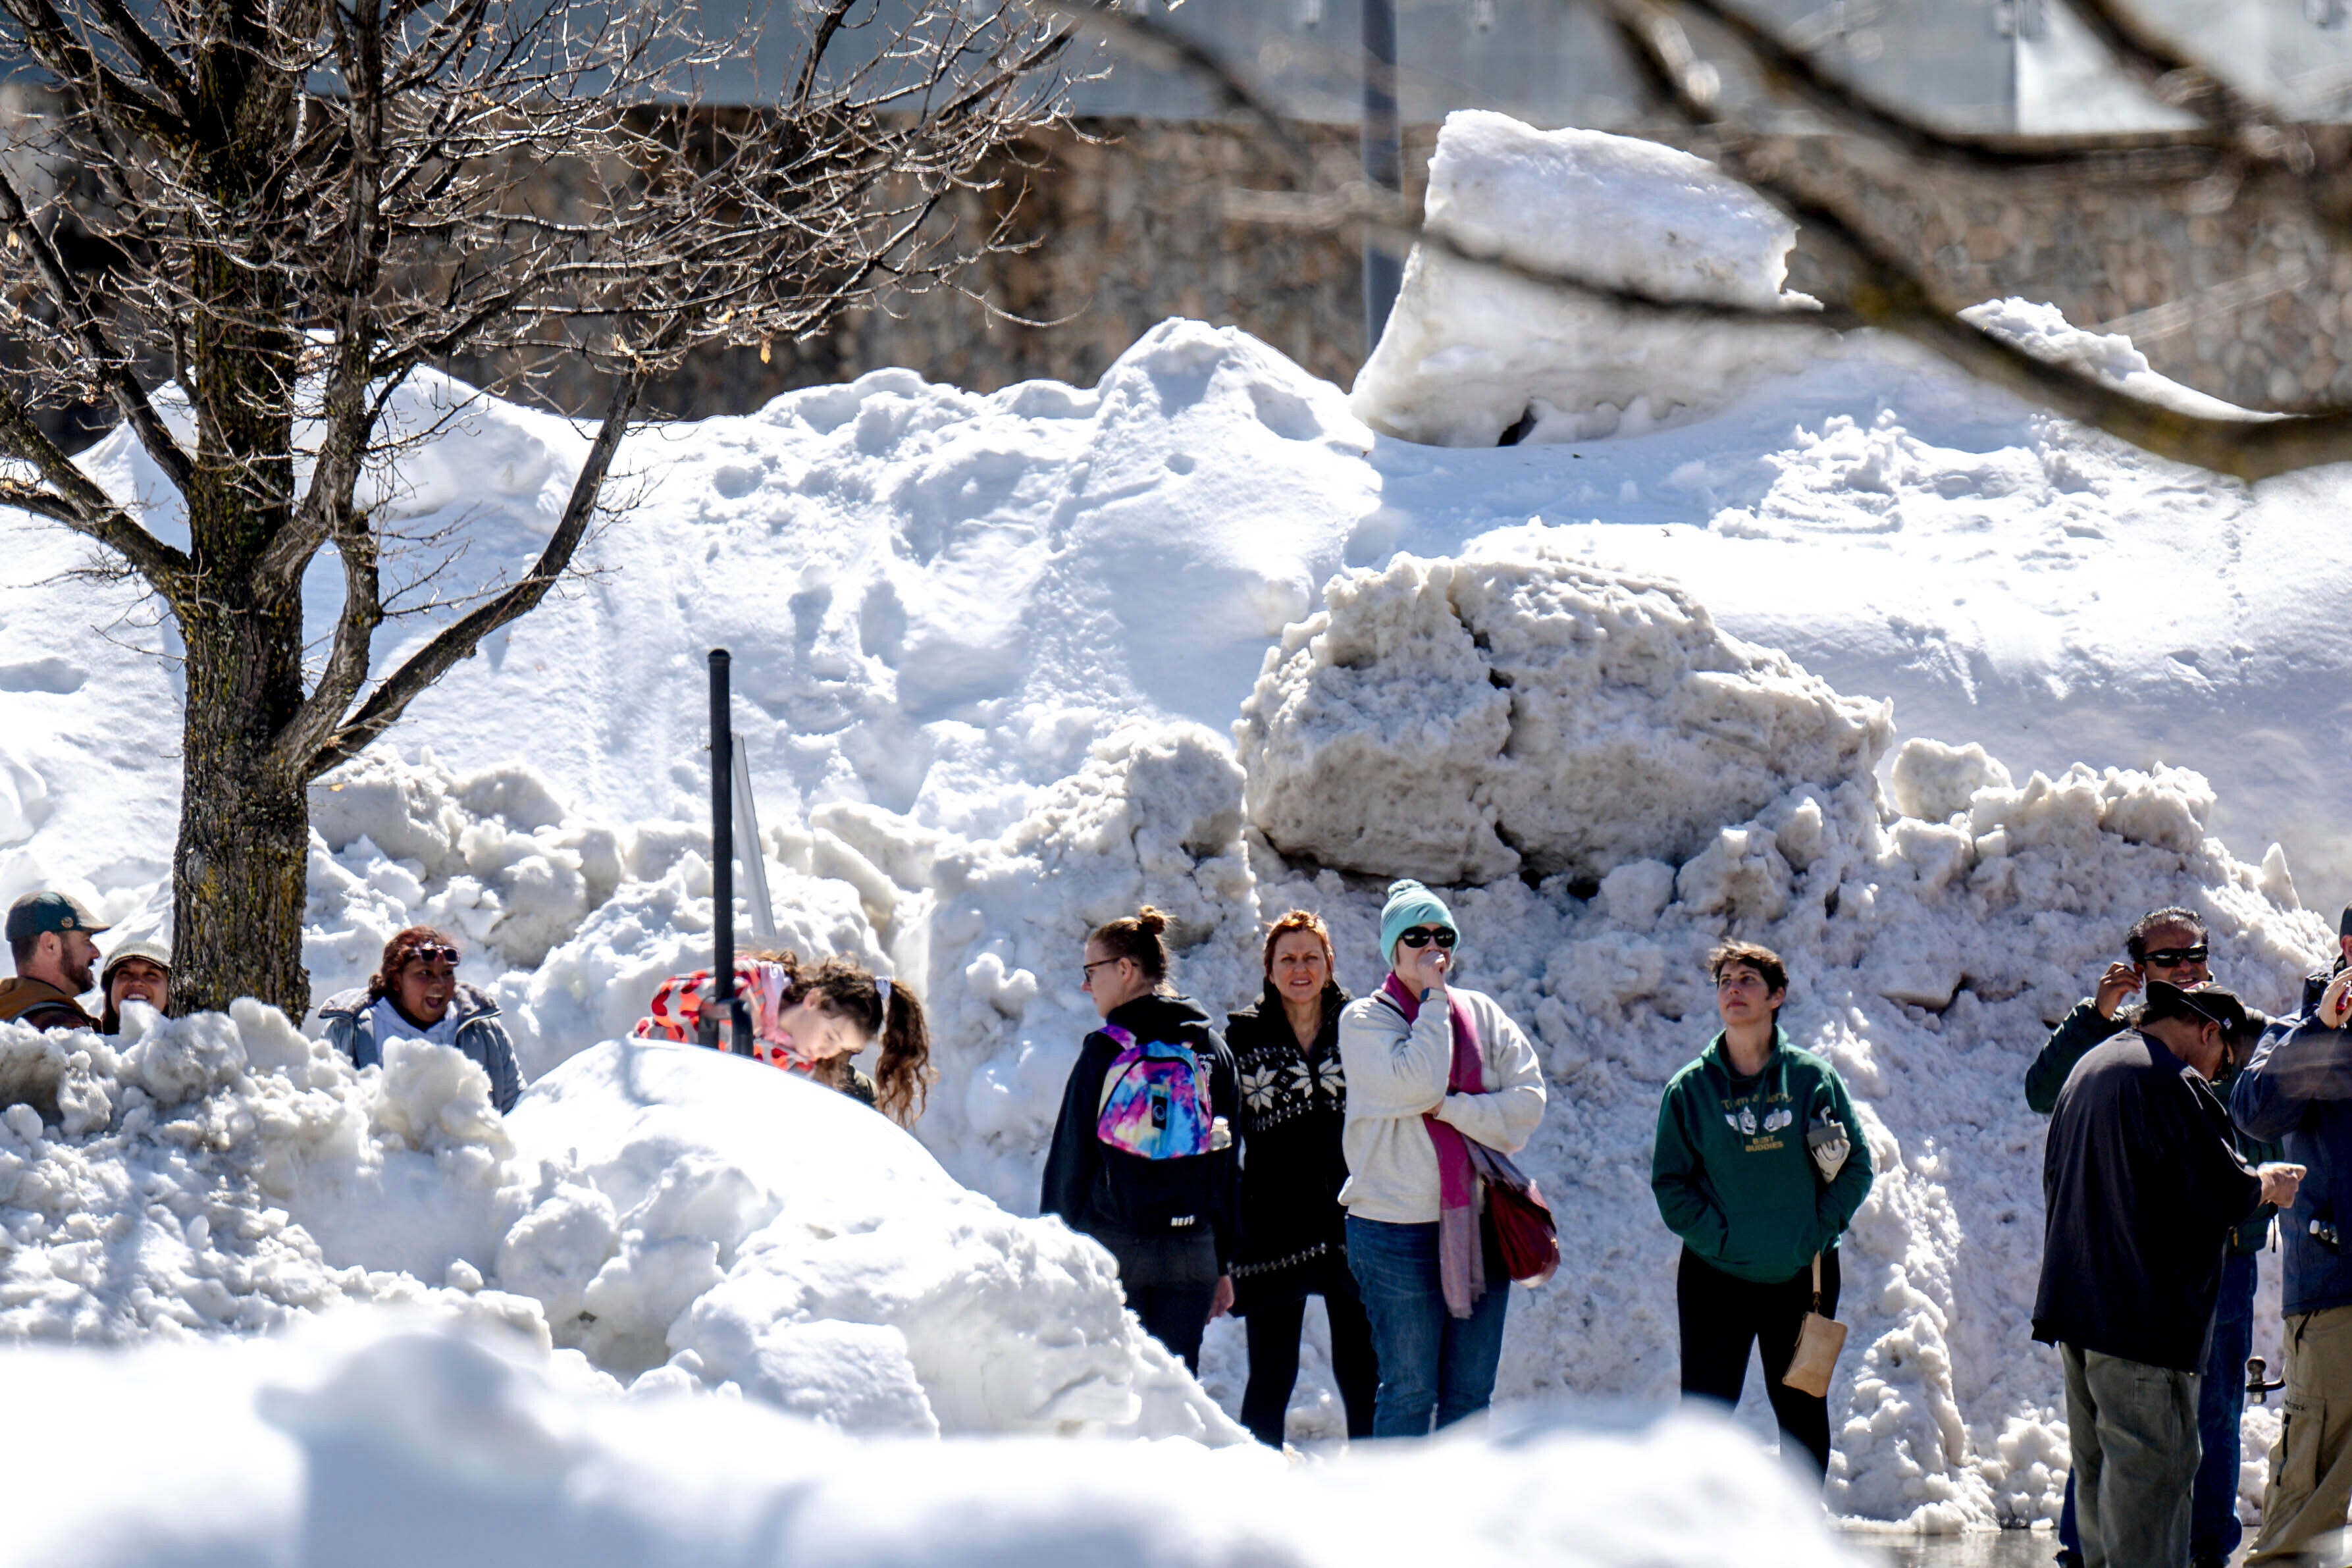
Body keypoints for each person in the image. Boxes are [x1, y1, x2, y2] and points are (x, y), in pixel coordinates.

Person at [2022, 906, 2278, 1568]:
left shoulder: (2109, 1063)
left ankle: (2192, 1550)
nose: (2220, 1067)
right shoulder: (2165, 1074)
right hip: (2147, 1304)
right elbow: (2224, 1186)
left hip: (2113, 1294)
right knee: (2152, 1467)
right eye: (2169, 961)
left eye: (2196, 954)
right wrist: (2264, 1186)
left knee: (2158, 1443)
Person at [1652, 940, 1874, 1482]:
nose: (1733, 989)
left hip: (1803, 1278)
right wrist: (1720, 1240)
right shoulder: (1689, 1090)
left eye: (1747, 979)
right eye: (1725, 980)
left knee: (1800, 1410)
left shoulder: (1810, 1080)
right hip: (1714, 1276)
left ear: (1776, 995)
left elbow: (1855, 1166)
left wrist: (1812, 1234)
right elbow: (1671, 1184)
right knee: (1703, 1416)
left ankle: (1797, 1536)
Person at [1339, 879, 1544, 1438]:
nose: (1432, 946)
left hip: (1480, 1226)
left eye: (1442, 934)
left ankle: (1458, 1522)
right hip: (1393, 1231)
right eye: (1415, 935)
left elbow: (1526, 1107)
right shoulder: (1364, 1021)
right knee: (1409, 1392)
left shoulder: (1481, 1013)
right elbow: (1415, 1081)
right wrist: (1432, 1003)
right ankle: (1394, 1523)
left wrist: (1450, 1109)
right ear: (1391, 947)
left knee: (1470, 1396)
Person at [1041, 906, 1241, 1372]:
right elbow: (1227, 1162)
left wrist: (1054, 1248)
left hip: (1116, 1243)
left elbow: (1071, 1157)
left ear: (1125, 970)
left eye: (1091, 971)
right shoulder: (1212, 1049)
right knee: (1177, 1386)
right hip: (1192, 1247)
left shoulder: (1107, 1049)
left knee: (1115, 1385)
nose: (1085, 985)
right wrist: (1222, 1258)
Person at [1224, 909, 1376, 1446]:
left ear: (1330, 964)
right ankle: (1257, 1494)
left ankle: (1374, 1489)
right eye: (1287, 958)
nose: (1300, 968)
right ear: (1268, 970)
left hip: (1353, 1221)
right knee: (1271, 1375)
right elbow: (1226, 1139)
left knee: (1362, 1374)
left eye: (1311, 957)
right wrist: (1224, 1234)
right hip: (1271, 1224)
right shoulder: (1240, 1038)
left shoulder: (1363, 1029)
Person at [2232, 962, 2352, 1563]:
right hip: (2338, 1292)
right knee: (2308, 1500)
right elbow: (2252, 1112)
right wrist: (2323, 1029)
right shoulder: (2302, 1033)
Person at [635, 949, 935, 1127]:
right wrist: (727, 1002)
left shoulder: (801, 1065)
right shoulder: (754, 983)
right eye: (831, 1036)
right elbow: (663, 1003)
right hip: (648, 1070)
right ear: (815, 1000)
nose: (829, 1051)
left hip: (688, 1109)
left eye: (842, 1049)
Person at [319, 927, 526, 1112]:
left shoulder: (485, 1033)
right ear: (397, 980)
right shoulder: (348, 1031)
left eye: (447, 973)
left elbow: (518, 1111)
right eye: (425, 973)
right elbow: (327, 1110)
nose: (439, 983)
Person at [0, 891, 107, 1032]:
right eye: (86, 940)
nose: (96, 953)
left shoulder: (8, 1006)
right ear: (51, 945)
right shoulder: (60, 1026)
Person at [98, 939, 172, 1034]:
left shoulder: (189, 1048)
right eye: (125, 973)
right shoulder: (85, 1046)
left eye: (151, 974)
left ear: (170, 994)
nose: (137, 982)